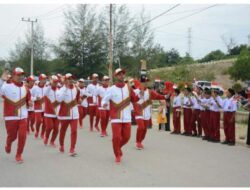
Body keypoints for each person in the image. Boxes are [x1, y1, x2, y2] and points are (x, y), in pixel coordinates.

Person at [101, 68, 140, 163]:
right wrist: (104, 104)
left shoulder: (129, 88)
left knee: (127, 137)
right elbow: (104, 100)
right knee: (117, 137)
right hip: (115, 117)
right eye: (119, 74)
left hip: (127, 117)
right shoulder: (111, 89)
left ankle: (117, 147)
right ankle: (117, 154)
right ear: (116, 76)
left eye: (123, 74)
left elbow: (135, 99)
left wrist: (140, 93)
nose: (121, 75)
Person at [0, 68, 32, 163]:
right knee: (12, 136)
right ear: (13, 76)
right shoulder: (7, 86)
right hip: (11, 116)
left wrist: (29, 102)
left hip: (23, 116)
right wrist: (2, 80)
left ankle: (19, 155)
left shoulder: (26, 88)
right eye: (18, 75)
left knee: (22, 136)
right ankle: (8, 144)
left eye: (22, 75)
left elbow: (28, 99)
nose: (20, 76)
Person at [133, 78, 167, 149]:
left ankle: (140, 141)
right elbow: (130, 99)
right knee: (141, 127)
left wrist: (166, 96)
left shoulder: (150, 92)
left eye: (147, 82)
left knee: (144, 129)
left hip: (147, 113)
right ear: (141, 83)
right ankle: (138, 142)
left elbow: (158, 96)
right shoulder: (135, 91)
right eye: (144, 82)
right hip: (138, 112)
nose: (146, 83)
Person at [56, 73, 80, 156]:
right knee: (63, 131)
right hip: (64, 114)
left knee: (74, 131)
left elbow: (77, 99)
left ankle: (72, 148)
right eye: (68, 79)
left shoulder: (76, 89)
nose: (70, 80)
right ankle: (61, 145)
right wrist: (65, 88)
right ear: (65, 80)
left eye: (71, 78)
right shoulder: (61, 89)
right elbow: (59, 99)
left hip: (74, 114)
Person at [43, 75, 60, 147]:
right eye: (54, 82)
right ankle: (46, 137)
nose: (55, 83)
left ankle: (52, 141)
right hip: (48, 112)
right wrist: (50, 83)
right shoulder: (47, 89)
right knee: (50, 127)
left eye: (56, 82)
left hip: (57, 113)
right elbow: (45, 93)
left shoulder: (58, 90)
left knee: (56, 129)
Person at [31, 74, 47, 139]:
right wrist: (35, 98)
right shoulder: (34, 88)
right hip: (38, 106)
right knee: (39, 121)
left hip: (45, 107)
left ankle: (42, 133)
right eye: (43, 79)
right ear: (40, 80)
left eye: (45, 79)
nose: (44, 80)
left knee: (45, 122)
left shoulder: (46, 88)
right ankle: (37, 131)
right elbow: (30, 97)